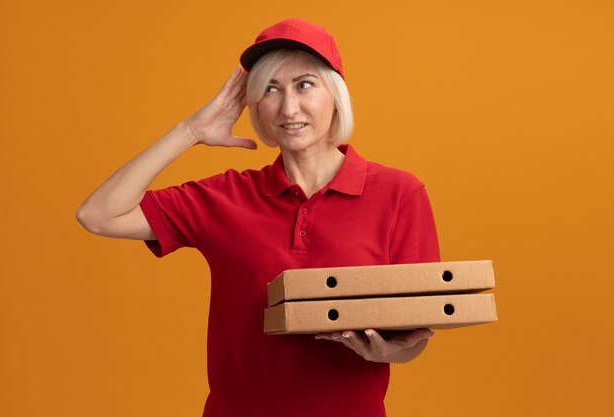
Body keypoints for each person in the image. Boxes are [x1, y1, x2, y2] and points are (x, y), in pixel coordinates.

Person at [77, 18, 440, 417]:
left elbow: (417, 330)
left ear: (335, 94)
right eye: (270, 89)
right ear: (254, 104)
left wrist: (389, 350)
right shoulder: (225, 197)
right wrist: (191, 131)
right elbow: (98, 215)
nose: (288, 108)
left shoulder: (399, 194)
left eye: (304, 85)